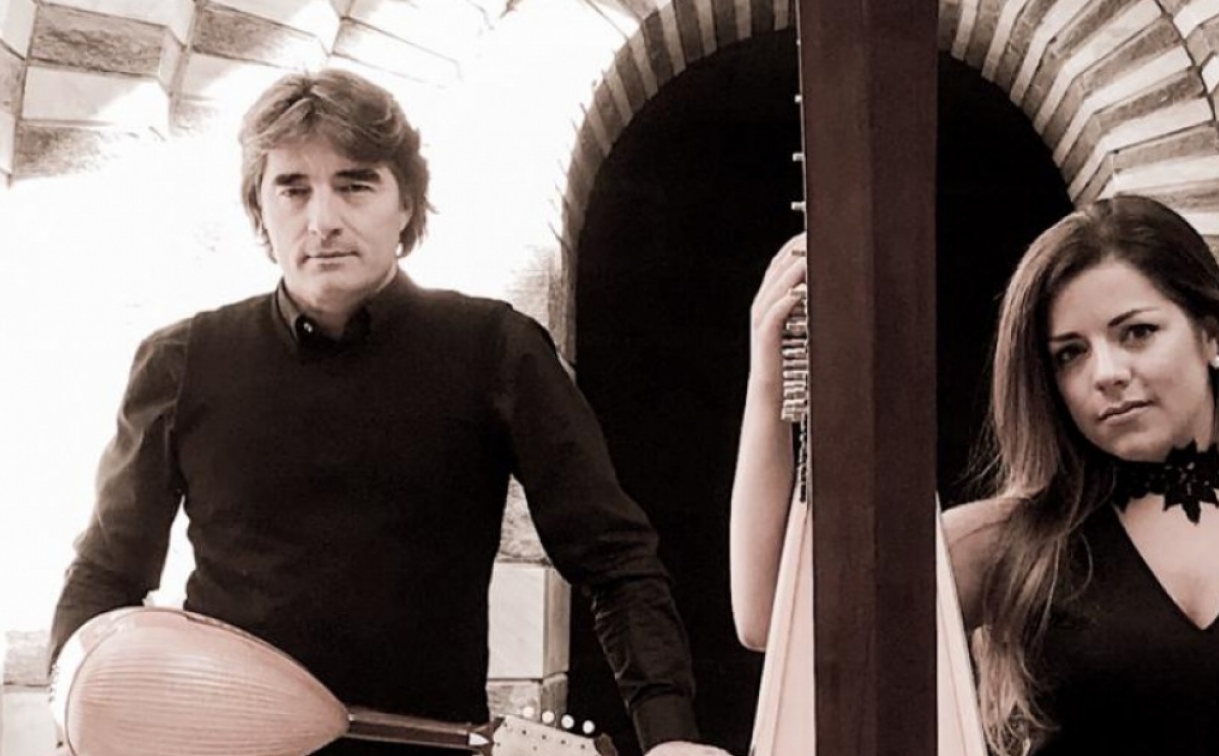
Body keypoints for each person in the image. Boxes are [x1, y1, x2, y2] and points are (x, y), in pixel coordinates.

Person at [49, 68, 729, 756]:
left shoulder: (495, 349)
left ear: (406, 203)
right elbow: (106, 574)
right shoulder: (182, 362)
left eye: (355, 184)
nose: (323, 220)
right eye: (292, 188)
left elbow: (613, 559)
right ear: (260, 211)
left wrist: (669, 735)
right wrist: (71, 724)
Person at [731, 196, 1219, 755]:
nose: (1107, 373)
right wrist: (770, 380)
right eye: (1071, 353)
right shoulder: (1013, 540)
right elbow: (773, 618)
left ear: (1211, 334)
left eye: (1137, 332)